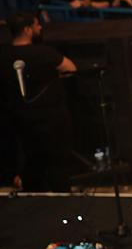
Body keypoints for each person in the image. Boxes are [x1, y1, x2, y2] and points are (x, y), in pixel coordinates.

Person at [0, 12, 77, 191]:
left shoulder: (3, 55)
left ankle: (32, 191)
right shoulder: (43, 53)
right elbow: (70, 68)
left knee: (31, 159)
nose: (40, 27)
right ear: (27, 30)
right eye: (36, 25)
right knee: (57, 160)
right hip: (49, 118)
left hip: (18, 119)